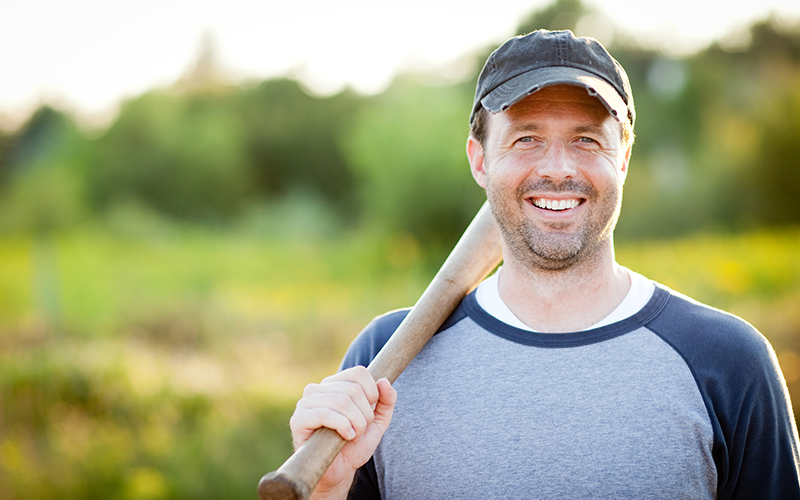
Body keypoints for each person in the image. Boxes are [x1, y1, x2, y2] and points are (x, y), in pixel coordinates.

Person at [289, 29, 800, 499]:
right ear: (479, 160)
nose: (557, 169)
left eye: (586, 139)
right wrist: (328, 493)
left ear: (622, 158)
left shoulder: (730, 364)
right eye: (526, 137)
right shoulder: (383, 366)